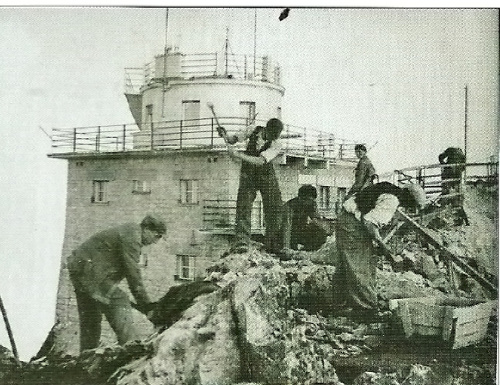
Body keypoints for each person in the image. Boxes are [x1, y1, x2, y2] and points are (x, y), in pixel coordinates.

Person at [67, 214, 166, 352]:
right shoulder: (133, 237)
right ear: (147, 229)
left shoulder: (130, 231)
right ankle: (131, 347)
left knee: (91, 316)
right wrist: (147, 306)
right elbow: (133, 274)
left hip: (80, 268)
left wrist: (143, 305)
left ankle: (86, 355)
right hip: (89, 271)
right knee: (119, 300)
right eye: (157, 236)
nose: (156, 241)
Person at [335, 182, 427, 321]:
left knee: (347, 263)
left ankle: (339, 304)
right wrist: (385, 250)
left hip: (347, 220)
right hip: (352, 224)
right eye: (412, 206)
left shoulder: (388, 190)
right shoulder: (392, 200)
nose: (410, 209)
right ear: (409, 198)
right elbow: (369, 222)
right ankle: (366, 310)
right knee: (361, 265)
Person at [222, 118, 284, 254]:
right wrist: (225, 135)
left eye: (275, 136)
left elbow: (261, 161)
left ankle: (272, 244)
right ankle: (242, 242)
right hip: (248, 174)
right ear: (266, 129)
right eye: (270, 135)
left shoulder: (277, 144)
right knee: (243, 205)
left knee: (274, 207)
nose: (273, 138)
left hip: (266, 175)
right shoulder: (253, 130)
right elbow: (233, 140)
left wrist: (238, 155)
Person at [281, 184, 327, 252]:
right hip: (289, 233)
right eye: (309, 200)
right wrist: (286, 247)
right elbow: (286, 227)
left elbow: (316, 220)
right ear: (301, 198)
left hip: (301, 231)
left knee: (320, 232)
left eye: (312, 200)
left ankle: (307, 250)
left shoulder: (311, 204)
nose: (311, 202)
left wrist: (325, 229)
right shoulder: (290, 206)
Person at [438, 147, 469, 225]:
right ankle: (463, 220)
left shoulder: (450, 150)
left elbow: (440, 157)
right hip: (457, 177)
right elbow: (463, 167)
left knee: (446, 193)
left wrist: (445, 165)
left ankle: (442, 213)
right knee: (457, 198)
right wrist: (457, 168)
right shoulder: (462, 155)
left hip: (448, 174)